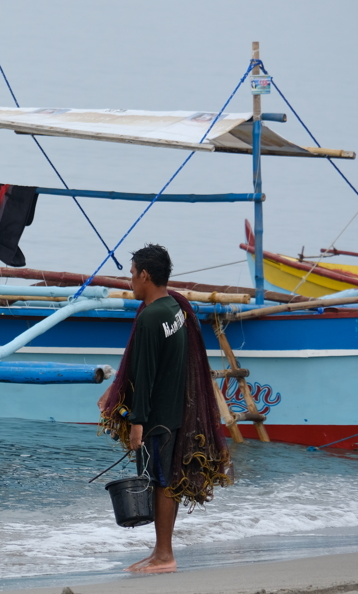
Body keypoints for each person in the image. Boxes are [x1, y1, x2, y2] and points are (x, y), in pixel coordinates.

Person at [98, 243, 231, 574]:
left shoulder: (150, 317)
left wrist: (137, 423)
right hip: (174, 412)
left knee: (162, 482)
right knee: (165, 479)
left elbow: (144, 376)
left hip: (156, 418)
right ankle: (161, 552)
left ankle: (164, 555)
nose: (129, 281)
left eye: (131, 274)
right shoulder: (175, 308)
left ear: (145, 275)